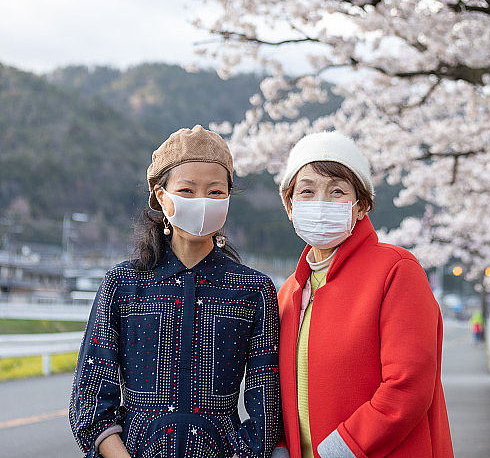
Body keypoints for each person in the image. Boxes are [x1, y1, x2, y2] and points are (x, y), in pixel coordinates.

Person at [69, 125, 281, 458]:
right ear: (161, 196)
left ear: (228, 197)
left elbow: (265, 409)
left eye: (215, 192)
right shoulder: (123, 283)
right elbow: (91, 399)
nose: (202, 202)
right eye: (187, 190)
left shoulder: (254, 290)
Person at [272, 131, 454, 458]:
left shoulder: (397, 270)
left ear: (361, 206)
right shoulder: (289, 293)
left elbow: (408, 386)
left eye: (337, 191)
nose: (320, 202)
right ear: (290, 204)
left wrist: (344, 448)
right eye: (307, 192)